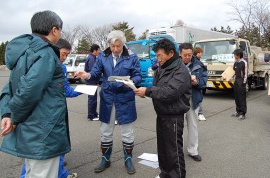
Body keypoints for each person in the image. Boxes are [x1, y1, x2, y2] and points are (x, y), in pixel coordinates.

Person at [0, 10, 70, 178]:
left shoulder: (25, 52)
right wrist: (14, 116)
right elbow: (28, 90)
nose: (60, 34)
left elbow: (10, 87)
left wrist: (8, 112)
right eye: (60, 30)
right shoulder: (45, 53)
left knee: (32, 172)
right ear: (54, 30)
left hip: (30, 131)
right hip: (43, 131)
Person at [75, 30, 141, 175]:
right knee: (105, 131)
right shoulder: (103, 56)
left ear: (123, 44)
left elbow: (138, 75)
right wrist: (86, 75)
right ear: (109, 45)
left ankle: (128, 158)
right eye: (113, 46)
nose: (116, 49)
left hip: (125, 97)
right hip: (108, 97)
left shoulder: (132, 56)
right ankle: (105, 158)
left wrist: (131, 81)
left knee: (127, 132)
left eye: (118, 46)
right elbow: (95, 73)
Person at [19, 38, 80, 178]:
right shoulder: (41, 64)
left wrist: (84, 89)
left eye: (67, 55)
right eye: (63, 53)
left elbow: (66, 91)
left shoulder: (62, 67)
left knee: (59, 146)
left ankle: (61, 174)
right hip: (42, 115)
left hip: (57, 113)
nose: (64, 57)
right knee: (36, 155)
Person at [134, 38, 192, 178]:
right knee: (163, 149)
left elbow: (170, 92)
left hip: (173, 115)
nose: (157, 58)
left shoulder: (180, 71)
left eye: (160, 55)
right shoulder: (163, 67)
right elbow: (159, 89)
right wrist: (147, 93)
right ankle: (165, 173)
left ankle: (176, 175)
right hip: (162, 114)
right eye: (157, 55)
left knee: (174, 151)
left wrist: (148, 91)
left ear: (171, 53)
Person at [179, 43, 207, 162]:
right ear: (179, 53)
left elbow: (204, 82)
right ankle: (177, 151)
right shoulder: (174, 64)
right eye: (185, 55)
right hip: (178, 100)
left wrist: (196, 82)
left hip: (193, 99)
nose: (187, 57)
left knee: (193, 126)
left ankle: (193, 150)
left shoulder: (199, 65)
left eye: (189, 55)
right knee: (178, 127)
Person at [230, 49, 247, 120]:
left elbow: (245, 74)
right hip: (236, 81)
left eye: (235, 55)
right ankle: (238, 111)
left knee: (241, 98)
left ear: (238, 55)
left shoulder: (244, 62)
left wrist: (244, 83)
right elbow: (233, 72)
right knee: (236, 97)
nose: (234, 56)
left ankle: (242, 113)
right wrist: (228, 77)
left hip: (241, 81)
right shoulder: (235, 63)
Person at [85, 44, 100, 121]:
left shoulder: (91, 57)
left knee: (93, 98)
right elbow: (92, 71)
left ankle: (94, 113)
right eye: (98, 50)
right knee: (92, 99)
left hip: (92, 81)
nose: (99, 52)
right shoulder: (91, 58)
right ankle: (91, 115)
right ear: (95, 50)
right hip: (91, 81)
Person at [193, 46, 207, 121]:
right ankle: (199, 113)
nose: (201, 54)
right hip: (197, 84)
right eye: (199, 52)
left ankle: (199, 112)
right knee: (198, 98)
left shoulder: (199, 61)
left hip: (198, 83)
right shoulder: (196, 62)